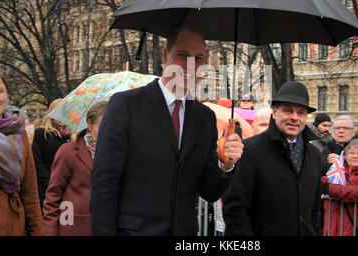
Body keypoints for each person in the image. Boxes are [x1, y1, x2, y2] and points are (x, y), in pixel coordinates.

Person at [90, 27, 244, 236]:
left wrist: (226, 165)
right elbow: (104, 187)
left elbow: (209, 190)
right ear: (165, 56)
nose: (191, 65)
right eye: (183, 55)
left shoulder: (204, 118)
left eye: (198, 58)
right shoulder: (126, 106)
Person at [223, 81, 322, 236]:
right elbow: (235, 210)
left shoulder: (314, 155)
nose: (294, 117)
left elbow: (315, 211)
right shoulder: (250, 150)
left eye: (301, 112)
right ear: (274, 112)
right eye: (288, 111)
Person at [43, 101, 107, 236]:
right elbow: (53, 195)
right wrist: (50, 230)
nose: (108, 131)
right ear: (89, 124)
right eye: (103, 126)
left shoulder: (118, 153)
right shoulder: (68, 152)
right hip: (74, 226)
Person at [0, 70, 42, 235]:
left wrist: (37, 231)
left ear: (7, 94)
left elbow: (30, 191)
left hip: (13, 223)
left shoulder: (17, 131)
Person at [321, 139, 358, 236]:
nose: (355, 156)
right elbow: (323, 181)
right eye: (351, 153)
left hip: (357, 227)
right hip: (333, 225)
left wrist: (329, 188)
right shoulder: (338, 171)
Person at [32, 98, 72, 209]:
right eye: (58, 110)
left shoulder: (72, 135)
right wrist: (51, 183)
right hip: (47, 187)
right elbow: (36, 161)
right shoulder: (42, 133)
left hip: (67, 189)